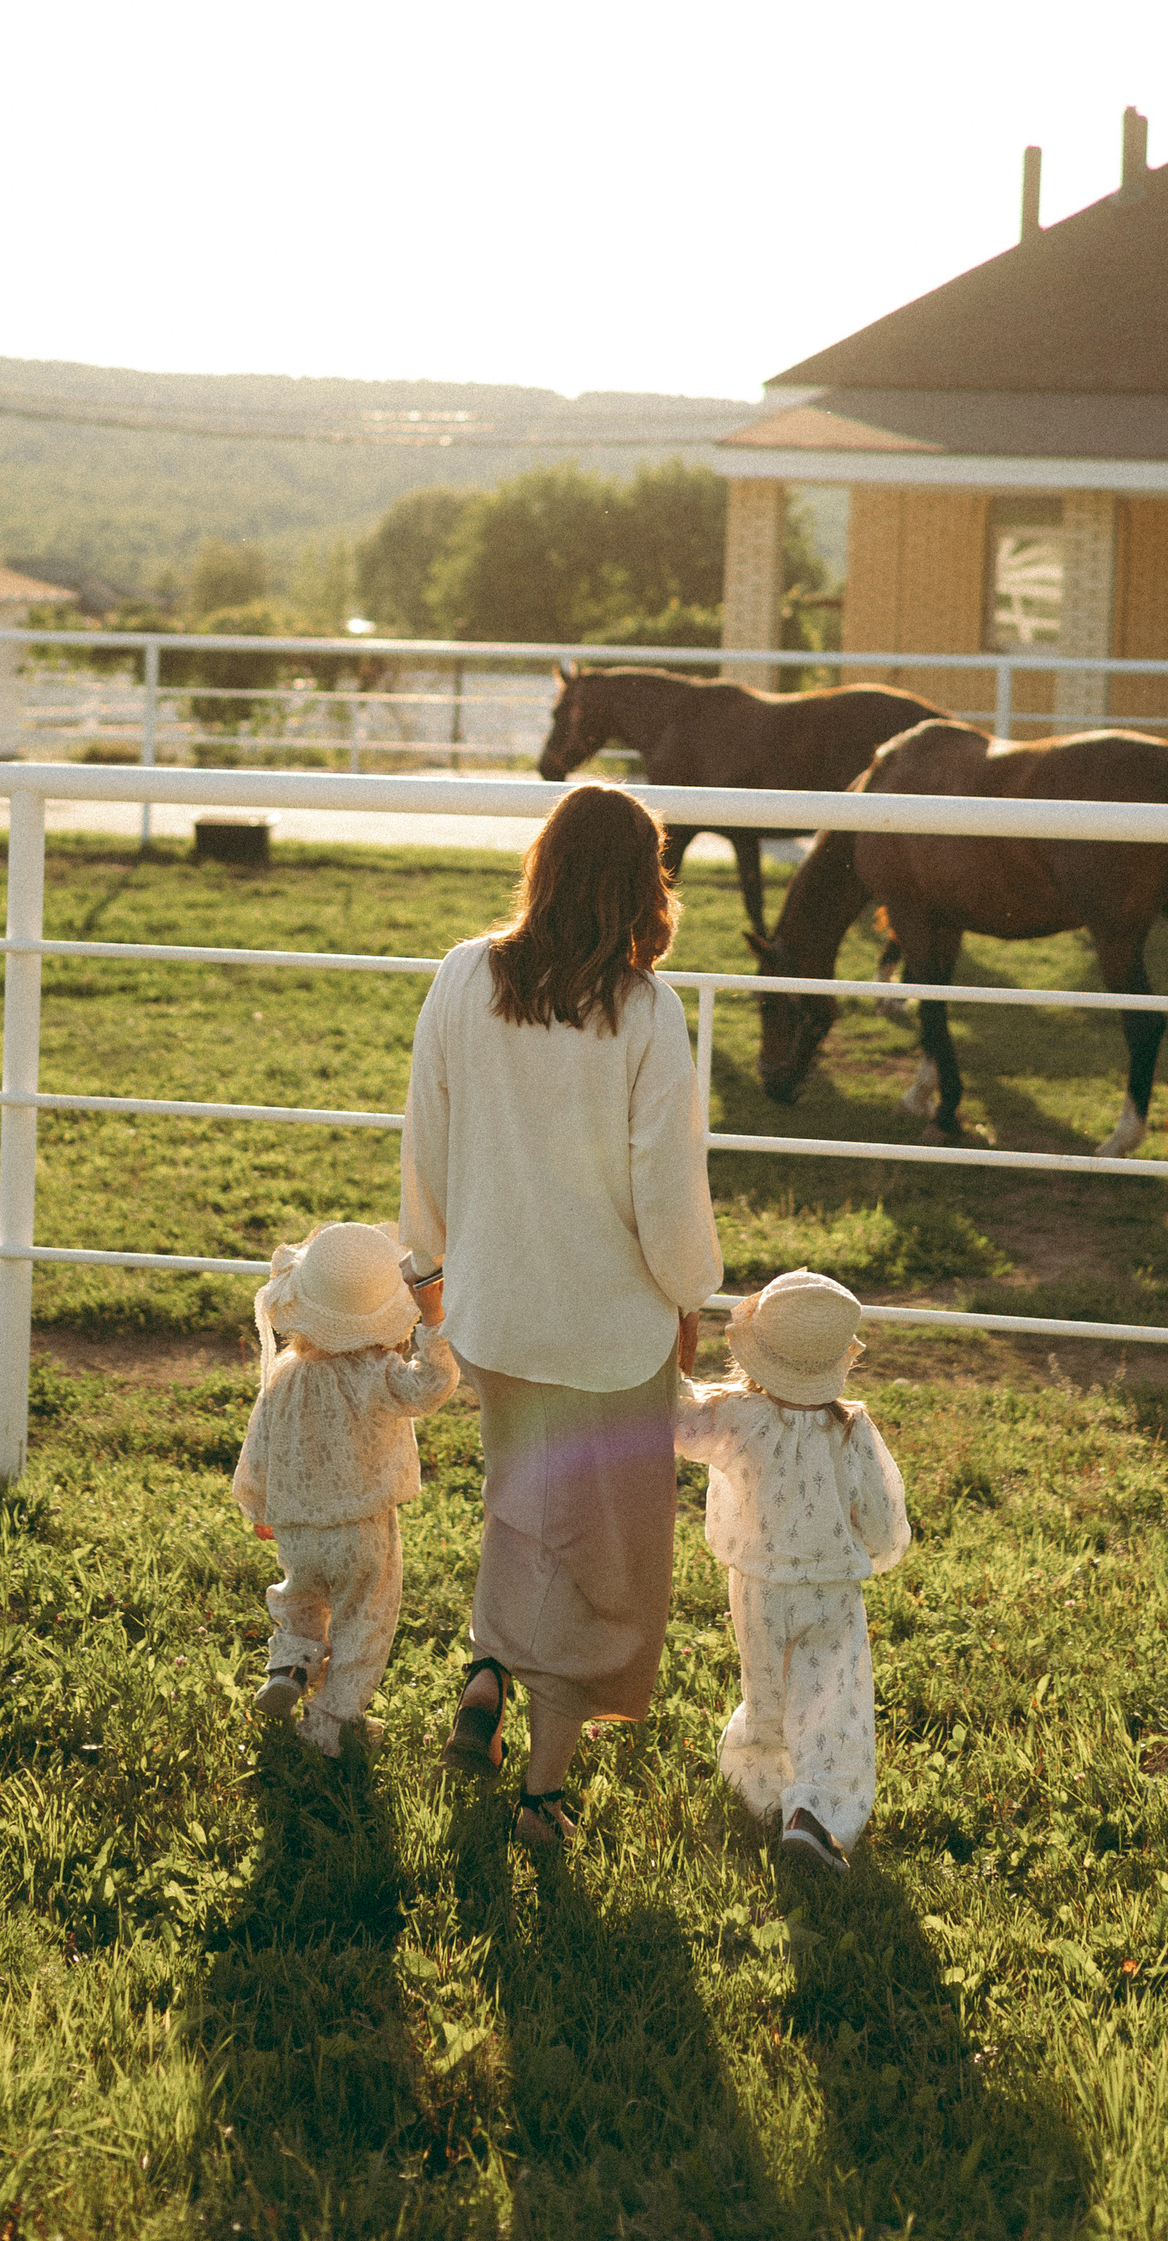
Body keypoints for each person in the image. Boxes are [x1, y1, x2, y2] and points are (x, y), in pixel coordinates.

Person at [400, 781, 724, 1856]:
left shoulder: (462, 974)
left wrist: (438, 1264)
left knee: (520, 1497)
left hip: (497, 1304)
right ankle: (544, 1786)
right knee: (604, 1549)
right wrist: (688, 1291)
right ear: (643, 881)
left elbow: (428, 1136)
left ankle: (490, 1669)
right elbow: (664, 1184)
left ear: (542, 865)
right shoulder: (644, 1011)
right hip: (605, 1317)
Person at [674, 1271, 911, 1879]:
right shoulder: (851, 1428)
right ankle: (815, 1813)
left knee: (770, 1693)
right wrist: (878, 1549)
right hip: (832, 1587)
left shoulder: (735, 1415)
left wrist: (679, 1338)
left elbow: (674, 1417)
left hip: (756, 1587)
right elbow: (882, 1517)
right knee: (834, 1701)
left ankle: (764, 1790)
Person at [231, 1220, 459, 1756]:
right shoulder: (376, 1374)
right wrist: (434, 1321)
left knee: (300, 1595)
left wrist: (258, 1505)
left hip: (296, 1528)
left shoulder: (283, 1374)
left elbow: (256, 1448)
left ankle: (290, 1661)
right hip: (363, 1530)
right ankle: (331, 1723)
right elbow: (432, 1386)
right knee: (365, 1623)